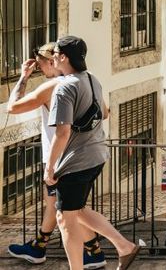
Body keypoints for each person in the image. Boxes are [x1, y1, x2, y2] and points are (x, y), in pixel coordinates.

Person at [7, 44, 106, 268]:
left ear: (54, 61)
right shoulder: (86, 80)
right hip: (87, 155)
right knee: (65, 209)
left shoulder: (53, 87)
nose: (39, 68)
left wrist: (23, 77)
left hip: (59, 158)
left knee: (65, 212)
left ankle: (102, 250)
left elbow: (12, 107)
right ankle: (46, 246)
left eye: (40, 63)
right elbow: (105, 112)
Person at [45, 36, 139, 270]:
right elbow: (105, 113)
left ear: (63, 57)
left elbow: (63, 132)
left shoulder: (64, 87)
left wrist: (50, 166)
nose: (52, 57)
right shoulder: (92, 79)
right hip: (96, 156)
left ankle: (80, 267)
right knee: (76, 212)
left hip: (75, 162)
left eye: (55, 53)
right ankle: (124, 246)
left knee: (64, 220)